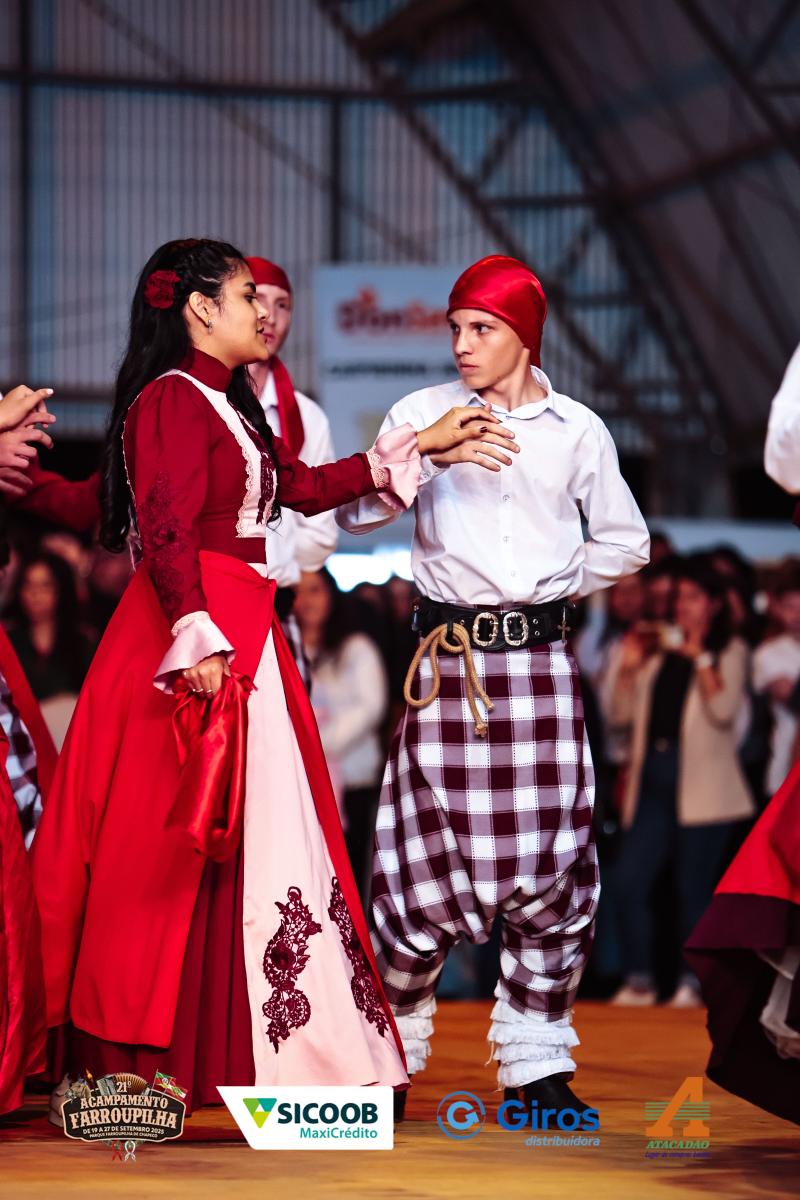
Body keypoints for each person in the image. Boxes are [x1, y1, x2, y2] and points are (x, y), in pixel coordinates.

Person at [30, 237, 513, 1110]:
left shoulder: (229, 402)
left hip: (240, 625)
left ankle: (261, 1056)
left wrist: (423, 444)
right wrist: (197, 637)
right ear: (199, 308)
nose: (263, 311)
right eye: (247, 294)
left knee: (262, 839)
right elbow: (167, 526)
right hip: (199, 637)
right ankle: (140, 1055)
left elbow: (303, 486)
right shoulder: (171, 399)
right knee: (166, 846)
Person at [338, 254, 650, 1120]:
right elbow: (352, 514)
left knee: (554, 862)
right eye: (455, 328)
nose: (462, 344)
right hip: (446, 667)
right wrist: (425, 455)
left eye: (481, 328)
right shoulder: (420, 413)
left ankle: (536, 1068)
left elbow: (626, 542)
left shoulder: (576, 429)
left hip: (539, 670)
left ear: (524, 335)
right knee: (416, 866)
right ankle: (388, 1060)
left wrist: (548, 590)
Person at [608, 558, 754, 1008]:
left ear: (714, 604)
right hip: (653, 780)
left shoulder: (731, 650)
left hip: (706, 791)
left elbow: (724, 712)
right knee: (628, 881)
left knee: (693, 891)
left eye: (693, 597)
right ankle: (639, 979)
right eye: (679, 598)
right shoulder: (658, 651)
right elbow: (620, 718)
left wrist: (701, 657)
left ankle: (694, 983)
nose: (683, 606)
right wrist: (628, 667)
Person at [246, 256, 337, 684]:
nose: (270, 315)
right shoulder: (198, 399)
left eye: (283, 305)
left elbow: (320, 532)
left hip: (276, 607)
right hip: (206, 607)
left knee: (285, 726)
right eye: (256, 299)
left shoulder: (306, 416)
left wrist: (273, 561)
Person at [295, 568, 388, 901]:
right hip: (301, 780)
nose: (307, 600)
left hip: (351, 779)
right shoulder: (287, 648)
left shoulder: (356, 648)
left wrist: (318, 743)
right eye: (299, 591)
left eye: (315, 590)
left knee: (347, 875)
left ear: (331, 595)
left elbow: (371, 706)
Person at [5, 552, 96, 703]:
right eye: (28, 585)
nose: (35, 594)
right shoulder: (9, 642)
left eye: (45, 586)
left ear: (61, 590)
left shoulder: (81, 643)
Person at [753, 563, 800, 795]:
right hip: (784, 766)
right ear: (777, 608)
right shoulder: (769, 653)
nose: (797, 615)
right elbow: (793, 699)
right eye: (790, 607)